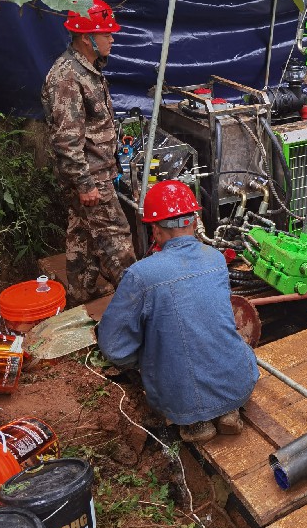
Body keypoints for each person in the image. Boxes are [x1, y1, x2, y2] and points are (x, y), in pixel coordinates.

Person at [97, 180, 259, 444]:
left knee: (167, 353)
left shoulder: (141, 275)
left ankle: (196, 425)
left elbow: (114, 346)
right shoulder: (216, 258)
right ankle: (229, 409)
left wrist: (143, 358)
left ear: (155, 231)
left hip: (183, 398)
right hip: (239, 381)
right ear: (194, 222)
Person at [41, 0, 136, 306]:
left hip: (93, 173)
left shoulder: (88, 69)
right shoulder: (68, 76)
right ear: (86, 37)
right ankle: (140, 302)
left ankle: (84, 291)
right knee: (117, 238)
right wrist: (86, 185)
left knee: (82, 233)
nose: (112, 38)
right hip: (90, 177)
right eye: (106, 33)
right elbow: (67, 140)